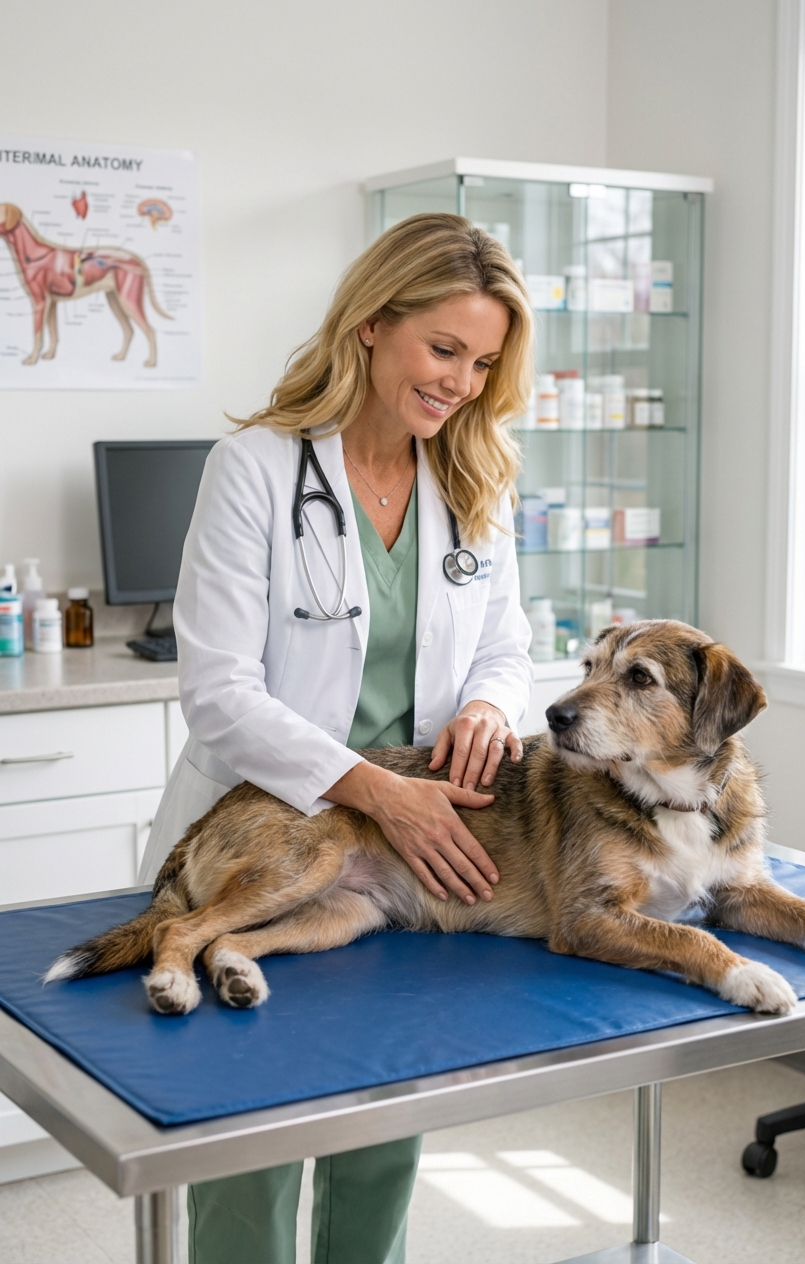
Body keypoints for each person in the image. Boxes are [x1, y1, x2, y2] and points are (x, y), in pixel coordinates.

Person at [139, 212, 535, 1264]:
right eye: (441, 348)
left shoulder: (474, 479)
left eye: (481, 361)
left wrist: (492, 704)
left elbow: (507, 643)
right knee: (250, 1141)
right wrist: (370, 784)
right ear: (369, 324)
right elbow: (217, 691)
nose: (459, 382)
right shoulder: (256, 468)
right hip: (271, 835)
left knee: (379, 1134)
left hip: (406, 861)